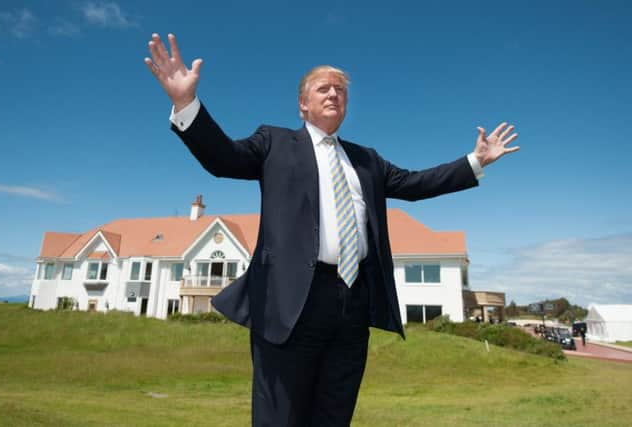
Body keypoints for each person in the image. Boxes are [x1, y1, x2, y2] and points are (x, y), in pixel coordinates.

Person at [145, 33, 519, 427]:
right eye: (323, 88)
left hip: (351, 302)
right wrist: (185, 103)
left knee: (334, 414)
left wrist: (474, 161)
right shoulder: (274, 142)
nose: (333, 94)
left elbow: (415, 184)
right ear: (303, 104)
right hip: (289, 301)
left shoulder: (366, 160)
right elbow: (223, 158)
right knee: (280, 415)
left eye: (340, 90)